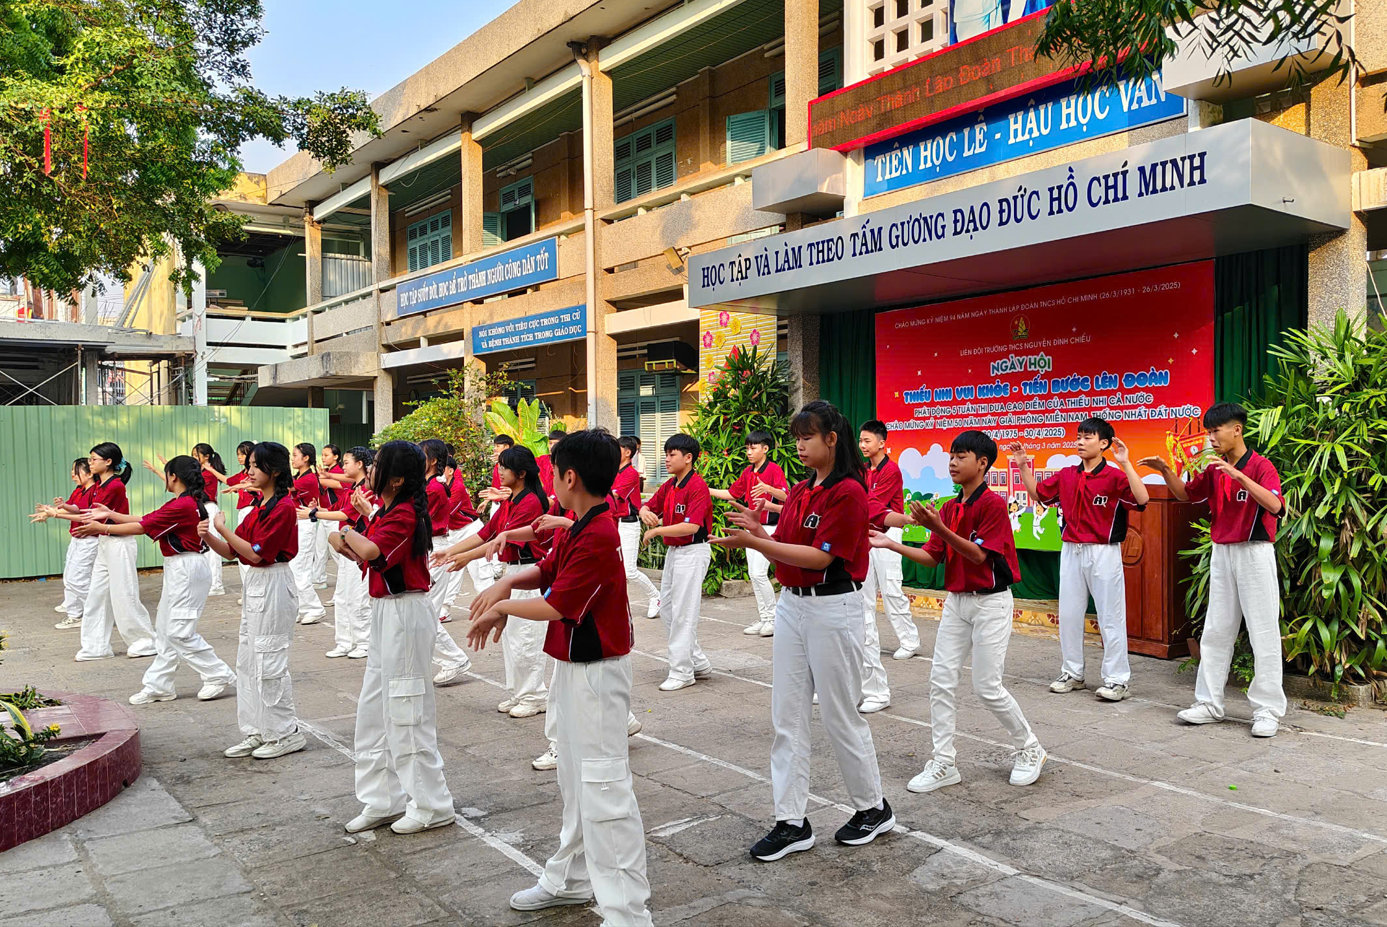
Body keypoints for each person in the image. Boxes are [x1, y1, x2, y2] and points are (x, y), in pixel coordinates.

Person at [466, 429, 654, 925]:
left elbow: (557, 604)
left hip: (597, 674)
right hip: (573, 671)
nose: (551, 480)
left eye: (553, 472)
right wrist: (507, 580)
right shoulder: (581, 523)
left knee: (604, 787)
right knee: (576, 782)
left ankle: (626, 911)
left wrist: (501, 606)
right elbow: (547, 571)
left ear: (569, 477)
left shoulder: (598, 533)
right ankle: (570, 879)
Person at [713, 401, 893, 861]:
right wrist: (760, 528)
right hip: (793, 606)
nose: (800, 445)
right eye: (796, 437)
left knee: (839, 713)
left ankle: (872, 807)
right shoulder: (800, 490)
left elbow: (821, 558)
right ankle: (791, 821)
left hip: (835, 607)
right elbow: (787, 548)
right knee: (787, 716)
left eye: (807, 437)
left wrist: (757, 540)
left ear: (832, 438)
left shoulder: (849, 492)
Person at [871, 430, 1046, 795]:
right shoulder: (949, 508)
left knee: (986, 686)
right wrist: (890, 543)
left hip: (991, 603)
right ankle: (944, 761)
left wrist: (938, 527)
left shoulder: (993, 505)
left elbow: (979, 555)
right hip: (957, 602)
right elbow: (933, 556)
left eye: (961, 456)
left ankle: (1029, 748)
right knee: (940, 680)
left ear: (982, 463)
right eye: (951, 455)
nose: (952, 462)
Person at [1139, 402, 1285, 737]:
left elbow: (1276, 505)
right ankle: (1209, 703)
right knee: (1217, 630)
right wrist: (1165, 470)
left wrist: (1241, 477)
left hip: (1254, 552)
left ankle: (1267, 710)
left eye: (1216, 430)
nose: (1211, 437)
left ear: (1237, 430)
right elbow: (1185, 495)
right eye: (1208, 431)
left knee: (1262, 631)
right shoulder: (1215, 469)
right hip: (1222, 553)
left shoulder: (1261, 466)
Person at [332, 441, 456, 835]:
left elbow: (366, 547)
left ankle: (431, 803)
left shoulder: (404, 515)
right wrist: (353, 534)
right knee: (373, 710)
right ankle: (381, 798)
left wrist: (350, 530)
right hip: (386, 611)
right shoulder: (386, 512)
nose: (369, 469)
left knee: (407, 710)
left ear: (397, 479)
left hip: (405, 612)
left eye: (377, 465)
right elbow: (361, 551)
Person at [77, 456, 235, 705]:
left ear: (174, 477)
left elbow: (141, 527)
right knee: (164, 630)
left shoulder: (183, 505)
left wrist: (103, 527)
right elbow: (144, 520)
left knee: (178, 631)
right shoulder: (184, 502)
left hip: (187, 568)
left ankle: (218, 674)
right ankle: (159, 686)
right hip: (180, 568)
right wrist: (110, 515)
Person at [1010, 417, 1148, 701]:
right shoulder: (1066, 475)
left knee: (1110, 616)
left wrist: (1125, 462)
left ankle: (1116, 679)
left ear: (1104, 444)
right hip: (1071, 550)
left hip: (1103, 551)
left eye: (1088, 437)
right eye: (1079, 437)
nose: (1080, 442)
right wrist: (1023, 464)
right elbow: (1039, 495)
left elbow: (1142, 499)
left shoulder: (1114, 476)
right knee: (1070, 615)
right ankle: (1073, 673)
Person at [201, 441, 307, 760]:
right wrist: (209, 536)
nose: (248, 472)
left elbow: (255, 552)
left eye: (254, 466)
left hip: (273, 581)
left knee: (269, 662)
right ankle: (256, 730)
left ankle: (285, 732)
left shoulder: (283, 507)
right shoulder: (260, 506)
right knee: (247, 661)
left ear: (273, 470)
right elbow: (234, 551)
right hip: (257, 585)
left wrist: (220, 529)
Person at [438, 445, 550, 716]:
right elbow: (487, 532)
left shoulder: (531, 502)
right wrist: (452, 551)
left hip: (529, 571)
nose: (499, 471)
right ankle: (518, 692)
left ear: (521, 473)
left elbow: (500, 541)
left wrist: (466, 558)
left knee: (527, 637)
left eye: (504, 467)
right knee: (512, 637)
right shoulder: (511, 500)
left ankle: (534, 695)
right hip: (513, 572)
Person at [57, 443, 158, 661]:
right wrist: (59, 511)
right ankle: (96, 646)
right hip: (105, 541)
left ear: (108, 461)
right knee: (97, 595)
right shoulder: (99, 486)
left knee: (124, 594)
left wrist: (55, 514)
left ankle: (144, 641)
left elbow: (91, 516)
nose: (90, 462)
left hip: (119, 542)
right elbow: (85, 512)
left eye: (94, 459)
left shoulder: (115, 486)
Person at [640, 434, 713, 692]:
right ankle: (697, 661)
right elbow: (648, 505)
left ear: (688, 458)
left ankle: (682, 671)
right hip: (676, 551)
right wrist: (645, 512)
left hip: (693, 551)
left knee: (683, 612)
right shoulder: (671, 485)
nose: (667, 459)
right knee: (669, 609)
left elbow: (692, 525)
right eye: (666, 454)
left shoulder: (697, 487)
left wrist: (657, 530)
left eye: (672, 454)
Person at [711, 430, 788, 638]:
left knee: (759, 573)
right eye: (747, 448)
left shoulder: (773, 469)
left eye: (753, 448)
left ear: (765, 448)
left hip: (769, 527)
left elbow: (786, 496)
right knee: (755, 575)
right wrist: (706, 489)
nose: (749, 451)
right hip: (751, 528)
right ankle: (765, 618)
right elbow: (731, 493)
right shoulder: (747, 472)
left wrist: (768, 488)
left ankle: (772, 618)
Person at [419, 439, 474, 687]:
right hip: (430, 547)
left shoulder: (434, 489)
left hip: (435, 549)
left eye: (421, 455)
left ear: (432, 461)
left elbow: (418, 519)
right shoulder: (429, 485)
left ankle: (454, 658)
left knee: (425, 613)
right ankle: (444, 658)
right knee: (422, 612)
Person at [316, 447, 375, 659]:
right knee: (342, 598)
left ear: (360, 464)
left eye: (347, 462)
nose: (344, 466)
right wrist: (317, 511)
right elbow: (337, 508)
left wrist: (313, 513)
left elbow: (345, 513)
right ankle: (344, 641)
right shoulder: (353, 489)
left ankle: (364, 641)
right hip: (347, 546)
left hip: (358, 547)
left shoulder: (366, 490)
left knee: (357, 599)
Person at [37, 459, 99, 630]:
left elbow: (81, 513)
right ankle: (75, 612)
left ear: (89, 473)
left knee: (77, 579)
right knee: (69, 577)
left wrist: (55, 513)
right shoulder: (80, 490)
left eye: (76, 470)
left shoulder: (94, 491)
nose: (72, 474)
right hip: (78, 538)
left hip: (89, 539)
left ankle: (97, 612)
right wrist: (51, 512)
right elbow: (73, 508)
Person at [612, 436, 660, 619]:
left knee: (629, 570)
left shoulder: (631, 473)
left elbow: (613, 495)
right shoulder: (613, 472)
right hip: (614, 523)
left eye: (617, 448)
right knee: (615, 569)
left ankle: (655, 596)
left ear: (627, 452)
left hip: (628, 524)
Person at [439, 445, 481, 616]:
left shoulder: (457, 488)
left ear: (450, 471)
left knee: (479, 572)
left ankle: (491, 607)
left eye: (441, 469)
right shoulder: (440, 486)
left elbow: (444, 511)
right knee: (451, 570)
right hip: (454, 532)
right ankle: (445, 609)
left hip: (470, 530)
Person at [289, 443, 327, 625]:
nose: (292, 458)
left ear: (306, 458)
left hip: (305, 525)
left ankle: (315, 608)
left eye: (295, 455)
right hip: (298, 524)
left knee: (300, 569)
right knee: (295, 568)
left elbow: (286, 488)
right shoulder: (300, 476)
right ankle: (302, 607)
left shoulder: (308, 478)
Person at [475, 435, 516, 594]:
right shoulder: (496, 466)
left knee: (504, 534)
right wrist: (487, 501)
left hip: (507, 503)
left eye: (498, 446)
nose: (495, 448)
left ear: (506, 447)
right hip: (497, 503)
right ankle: (497, 567)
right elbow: (494, 487)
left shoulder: (514, 466)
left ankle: (500, 566)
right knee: (494, 533)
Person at [224, 441, 260, 603]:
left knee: (250, 550)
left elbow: (254, 486)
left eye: (243, 454)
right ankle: (248, 589)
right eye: (238, 454)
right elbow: (229, 481)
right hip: (244, 512)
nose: (240, 457)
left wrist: (239, 486)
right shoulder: (243, 473)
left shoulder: (256, 474)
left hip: (252, 510)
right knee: (242, 551)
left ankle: (253, 590)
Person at [315, 444, 345, 588]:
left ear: (336, 457)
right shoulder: (326, 472)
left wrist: (313, 477)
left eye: (326, 455)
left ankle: (343, 584)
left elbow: (337, 484)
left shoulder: (338, 472)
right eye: (322, 455)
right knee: (320, 549)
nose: (323, 458)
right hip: (325, 514)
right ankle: (318, 579)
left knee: (336, 552)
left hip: (335, 515)